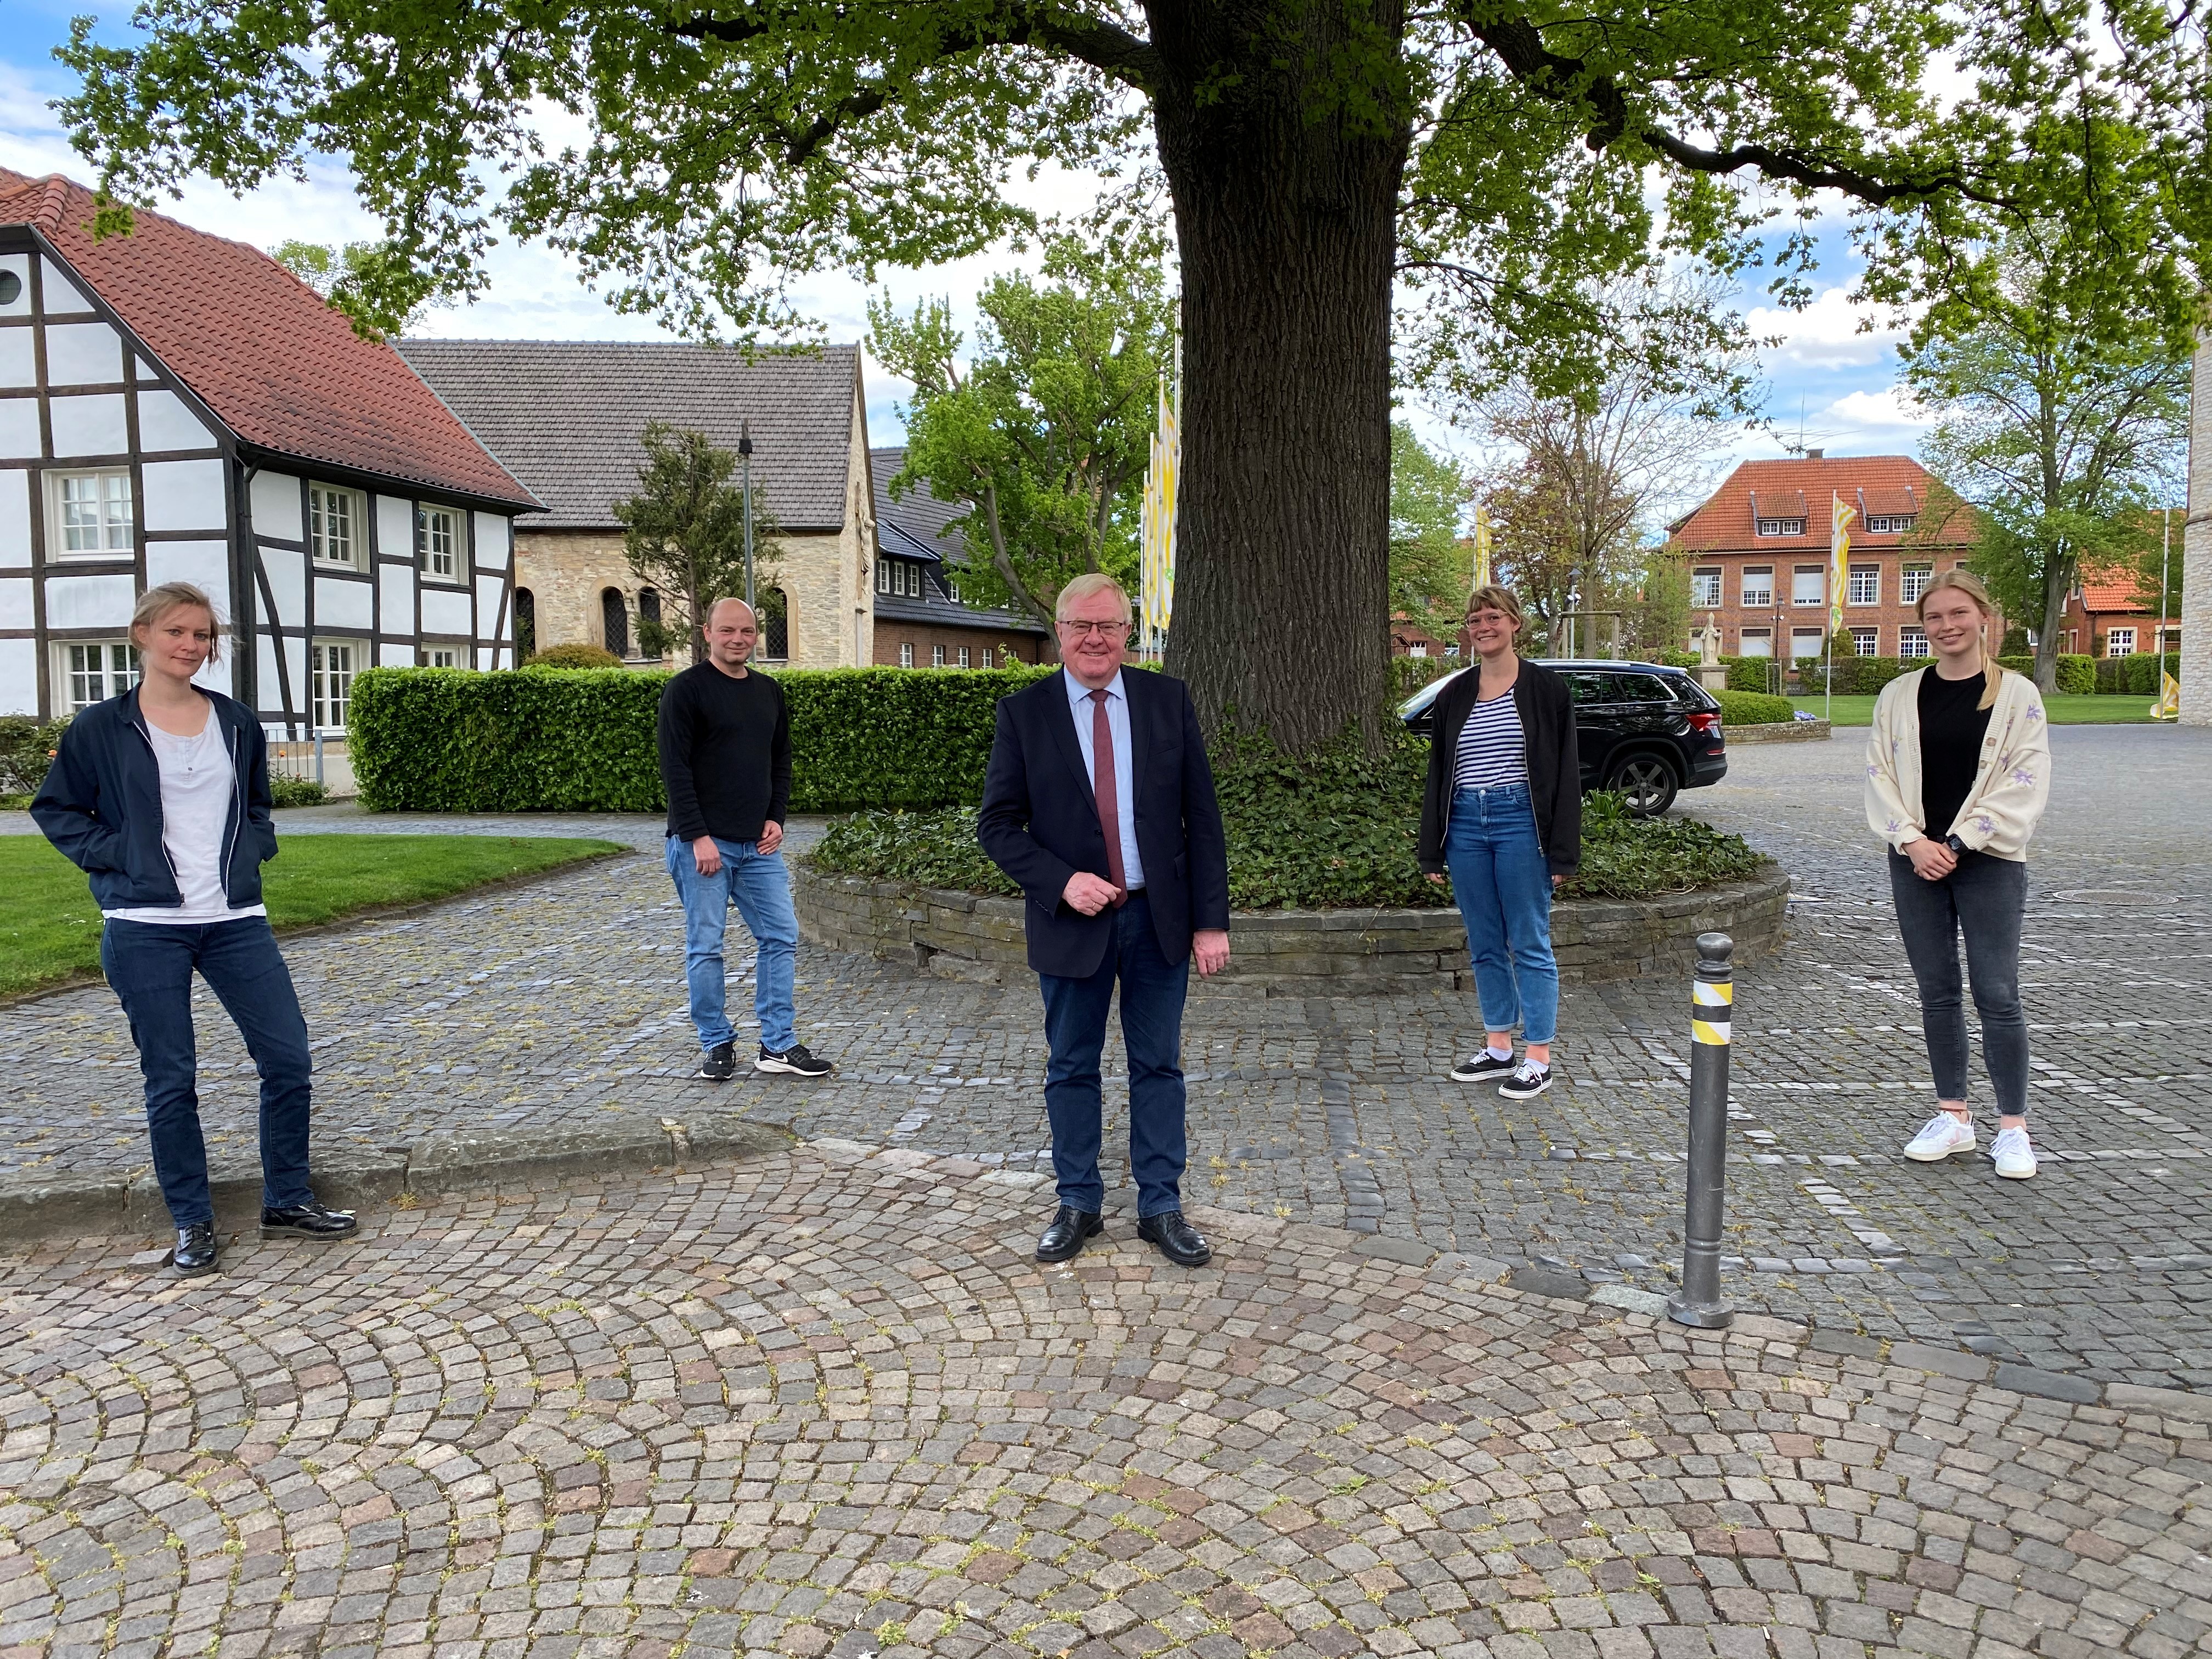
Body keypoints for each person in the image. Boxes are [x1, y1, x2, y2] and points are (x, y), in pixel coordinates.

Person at [31, 583, 357, 1278]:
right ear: (142, 634)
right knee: (172, 1078)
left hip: (234, 919)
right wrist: (114, 855)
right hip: (145, 925)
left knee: (288, 1059)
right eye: (178, 631)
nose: (191, 646)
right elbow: (56, 809)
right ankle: (192, 1221)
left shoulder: (235, 722)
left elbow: (258, 805)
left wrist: (255, 848)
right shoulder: (99, 728)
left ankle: (287, 1199)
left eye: (203, 636)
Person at [977, 573, 1231, 1267]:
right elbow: (997, 825)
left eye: (1109, 626)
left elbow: (1201, 820)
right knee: (1071, 1067)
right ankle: (1079, 1202)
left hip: (1159, 921)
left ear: (1129, 632)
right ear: (1059, 632)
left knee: (1159, 1065)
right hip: (1071, 923)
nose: (1095, 639)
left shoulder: (1166, 701)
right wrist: (1062, 881)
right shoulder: (1024, 713)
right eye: (1082, 626)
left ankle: (1160, 1206)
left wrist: (1211, 921)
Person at [1865, 568, 2050, 1178]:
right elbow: (1879, 776)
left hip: (1988, 863)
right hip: (1915, 860)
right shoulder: (1898, 695)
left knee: (1997, 994)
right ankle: (1954, 1117)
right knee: (1937, 992)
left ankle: (2013, 1129)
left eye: (1958, 614)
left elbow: (2026, 779)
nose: (1947, 627)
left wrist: (1959, 842)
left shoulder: (2017, 695)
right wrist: (1914, 843)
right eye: (1935, 618)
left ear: (1983, 618)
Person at [657, 597, 833, 1080]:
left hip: (758, 847)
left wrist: (776, 817)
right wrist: (698, 837)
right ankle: (716, 1042)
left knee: (781, 935)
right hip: (704, 846)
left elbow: (780, 762)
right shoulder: (685, 691)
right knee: (706, 946)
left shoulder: (769, 692)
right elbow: (675, 770)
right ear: (707, 633)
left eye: (748, 631)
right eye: (728, 631)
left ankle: (777, 1044)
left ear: (757, 636)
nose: (739, 639)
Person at [1418, 585, 1580, 1099]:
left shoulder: (1546, 691)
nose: (1482, 627)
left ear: (1514, 623)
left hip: (1520, 824)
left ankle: (1538, 1056)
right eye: (1474, 620)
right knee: (1485, 942)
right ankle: (1498, 1047)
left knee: (1529, 941)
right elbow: (1441, 774)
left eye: (1492, 617)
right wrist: (1432, 847)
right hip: (1465, 823)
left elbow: (1566, 776)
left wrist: (1561, 851)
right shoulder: (1454, 694)